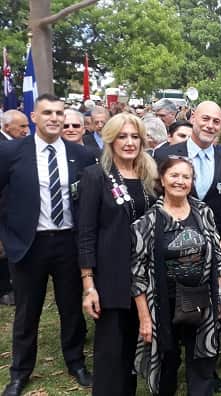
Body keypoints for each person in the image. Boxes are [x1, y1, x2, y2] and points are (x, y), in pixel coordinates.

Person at [0, 94, 95, 396]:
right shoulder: (11, 152)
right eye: (48, 113)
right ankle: (20, 372)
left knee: (70, 308)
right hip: (29, 243)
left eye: (59, 113)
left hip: (68, 241)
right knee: (27, 311)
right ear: (34, 117)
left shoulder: (80, 155)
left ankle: (76, 361)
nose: (55, 118)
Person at [77, 113, 158, 395]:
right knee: (111, 354)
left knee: (132, 354)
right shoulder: (95, 176)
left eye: (135, 136)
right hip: (111, 278)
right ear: (110, 139)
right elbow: (86, 232)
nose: (129, 142)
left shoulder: (150, 175)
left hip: (145, 277)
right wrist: (89, 284)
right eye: (122, 136)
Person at [131, 156, 221, 395]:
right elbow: (137, 272)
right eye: (174, 175)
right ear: (162, 179)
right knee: (167, 358)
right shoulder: (148, 221)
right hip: (164, 302)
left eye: (186, 177)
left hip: (200, 298)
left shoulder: (203, 212)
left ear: (192, 182)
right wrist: (144, 317)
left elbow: (216, 258)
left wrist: (219, 297)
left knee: (202, 355)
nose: (180, 181)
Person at [155, 101, 221, 266]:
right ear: (193, 118)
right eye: (205, 119)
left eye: (216, 121)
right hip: (170, 251)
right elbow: (154, 200)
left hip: (212, 254)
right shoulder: (164, 156)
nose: (210, 125)